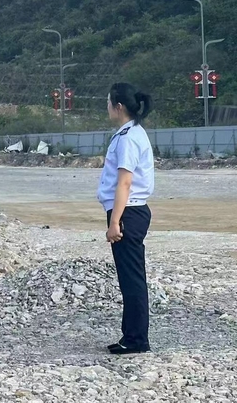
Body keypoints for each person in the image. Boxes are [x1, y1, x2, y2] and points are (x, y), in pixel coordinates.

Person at [97, 83, 154, 354]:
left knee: (131, 279)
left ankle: (136, 340)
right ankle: (131, 335)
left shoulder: (128, 137)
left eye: (108, 102)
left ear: (118, 106)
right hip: (130, 210)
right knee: (131, 277)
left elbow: (125, 183)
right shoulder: (132, 132)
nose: (106, 107)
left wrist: (114, 222)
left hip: (127, 212)